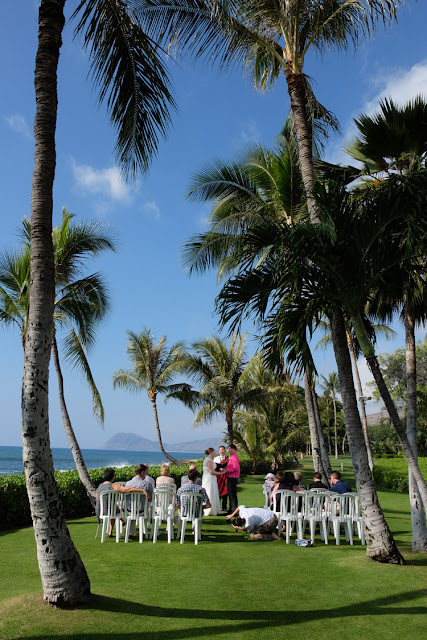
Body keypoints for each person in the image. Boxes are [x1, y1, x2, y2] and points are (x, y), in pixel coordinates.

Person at [95, 467, 149, 537]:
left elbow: (97, 498)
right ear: (113, 477)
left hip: (99, 511)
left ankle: (111, 531)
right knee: (114, 510)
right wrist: (141, 490)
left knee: (115, 508)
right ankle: (122, 523)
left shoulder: (100, 486)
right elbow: (127, 489)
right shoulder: (113, 485)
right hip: (109, 511)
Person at [125, 464, 153, 535]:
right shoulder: (147, 484)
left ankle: (130, 532)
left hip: (129, 510)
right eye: (146, 473)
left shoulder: (127, 484)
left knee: (132, 507)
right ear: (142, 473)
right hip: (142, 510)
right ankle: (145, 530)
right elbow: (151, 499)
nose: (146, 475)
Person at [202, 448, 225, 516]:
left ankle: (211, 508)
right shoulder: (209, 460)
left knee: (211, 492)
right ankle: (210, 510)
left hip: (209, 478)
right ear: (211, 452)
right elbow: (211, 472)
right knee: (210, 492)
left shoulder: (209, 460)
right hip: (210, 479)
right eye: (214, 452)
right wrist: (221, 473)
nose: (215, 453)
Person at [214, 445, 229, 512]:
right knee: (218, 492)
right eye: (220, 450)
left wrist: (225, 469)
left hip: (225, 476)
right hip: (218, 477)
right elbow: (213, 467)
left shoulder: (228, 458)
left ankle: (224, 506)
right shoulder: (216, 459)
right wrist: (219, 468)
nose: (222, 451)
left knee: (225, 492)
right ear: (219, 451)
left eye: (223, 450)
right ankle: (218, 506)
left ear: (225, 451)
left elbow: (230, 466)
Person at [226, 444, 240, 514]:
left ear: (233, 449)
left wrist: (226, 470)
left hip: (232, 477)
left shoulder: (234, 457)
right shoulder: (232, 457)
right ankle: (231, 509)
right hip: (231, 477)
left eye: (229, 449)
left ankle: (233, 510)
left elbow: (235, 468)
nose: (228, 451)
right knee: (231, 494)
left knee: (232, 494)